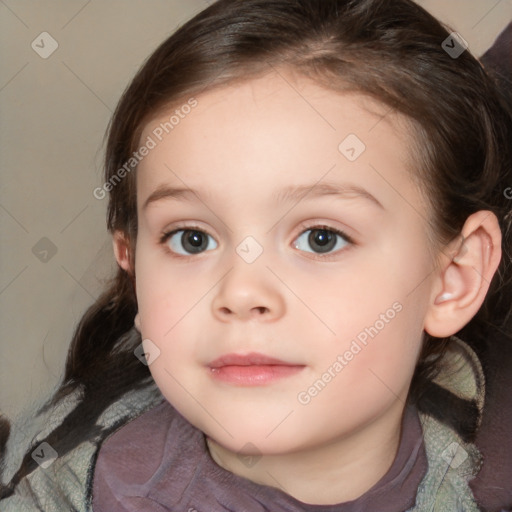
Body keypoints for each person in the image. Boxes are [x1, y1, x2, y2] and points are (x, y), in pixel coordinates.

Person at [1, 0, 511, 510]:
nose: (242, 293)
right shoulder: (73, 492)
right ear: (131, 264)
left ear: (454, 277)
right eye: (191, 239)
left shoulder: (482, 453)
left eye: (321, 238)